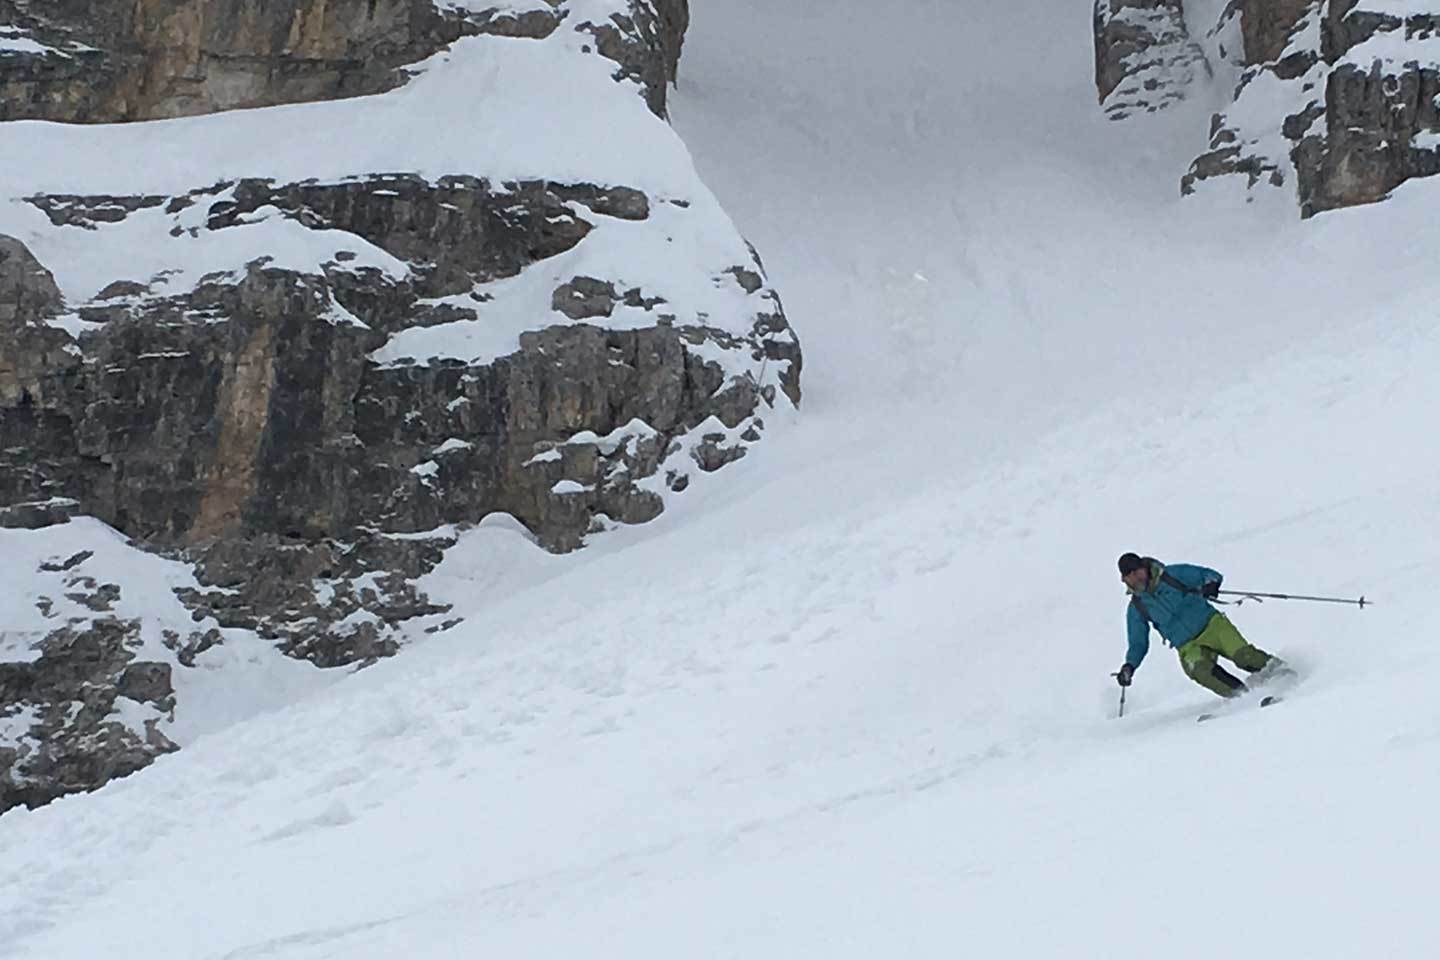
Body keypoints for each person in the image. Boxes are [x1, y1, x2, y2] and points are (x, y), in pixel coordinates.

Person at [1115, 553, 1285, 698]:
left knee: (1243, 656)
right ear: (1124, 579)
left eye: (1138, 572)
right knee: (1199, 671)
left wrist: (1211, 585)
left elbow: (1209, 574)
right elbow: (1138, 643)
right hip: (1187, 646)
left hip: (1212, 626)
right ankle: (1244, 698)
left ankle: (1282, 673)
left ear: (1144, 568)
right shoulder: (1136, 608)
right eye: (1130, 575)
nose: (1137, 578)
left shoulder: (1171, 575)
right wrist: (1129, 666)